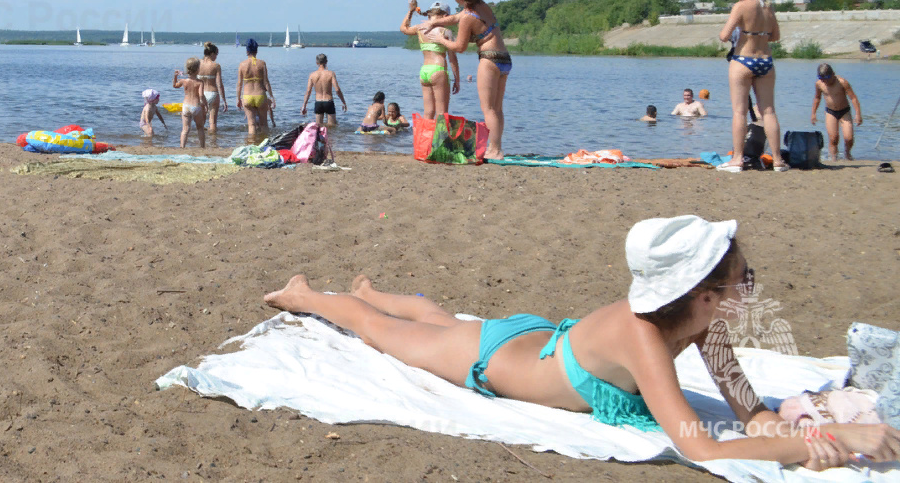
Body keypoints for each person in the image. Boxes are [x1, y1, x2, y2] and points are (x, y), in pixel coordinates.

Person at [262, 216, 900, 471]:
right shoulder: (644, 334)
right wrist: (838, 440)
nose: (751, 288)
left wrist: (800, 433)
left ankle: (372, 288)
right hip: (494, 359)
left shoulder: (705, 323)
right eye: (744, 281)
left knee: (433, 317)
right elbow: (700, 445)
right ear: (702, 294)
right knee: (386, 332)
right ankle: (306, 294)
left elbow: (749, 413)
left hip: (534, 339)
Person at [417, 0, 509, 160]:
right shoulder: (483, 7)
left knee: (489, 109)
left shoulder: (467, 16)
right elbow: (455, 18)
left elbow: (460, 47)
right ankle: (496, 148)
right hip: (505, 59)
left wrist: (441, 39)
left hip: (489, 58)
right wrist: (434, 21)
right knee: (497, 108)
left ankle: (495, 150)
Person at [717, 0, 782, 172]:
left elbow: (724, 35)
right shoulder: (768, 8)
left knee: (739, 111)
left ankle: (737, 158)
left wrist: (744, 33)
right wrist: (758, 34)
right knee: (769, 111)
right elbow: (775, 37)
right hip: (765, 61)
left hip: (743, 60)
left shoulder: (741, 7)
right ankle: (778, 160)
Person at [402, 0, 460, 119]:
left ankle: (426, 138)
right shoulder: (445, 32)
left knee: (428, 113)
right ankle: (440, 138)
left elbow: (404, 28)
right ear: (445, 16)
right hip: (438, 70)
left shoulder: (420, 28)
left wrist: (411, 11)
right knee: (442, 114)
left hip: (424, 71)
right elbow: (452, 58)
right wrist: (457, 79)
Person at [812, 63, 862, 163]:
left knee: (848, 138)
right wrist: (813, 113)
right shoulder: (819, 84)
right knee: (833, 138)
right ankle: (833, 158)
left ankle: (847, 153)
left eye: (826, 78)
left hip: (844, 111)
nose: (824, 81)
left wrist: (858, 114)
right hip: (830, 112)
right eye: (821, 78)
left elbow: (853, 98)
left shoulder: (842, 82)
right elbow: (817, 98)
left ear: (833, 74)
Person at [237, 39, 275, 136]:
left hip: (247, 96)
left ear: (247, 51)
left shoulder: (242, 64)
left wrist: (238, 99)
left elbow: (239, 84)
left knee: (251, 125)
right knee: (264, 124)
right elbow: (266, 82)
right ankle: (265, 144)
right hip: (260, 96)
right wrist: (272, 97)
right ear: (257, 50)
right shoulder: (262, 63)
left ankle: (251, 145)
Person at [301, 54, 347, 126]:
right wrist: (343, 102)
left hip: (318, 102)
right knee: (332, 127)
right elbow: (337, 90)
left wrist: (304, 105)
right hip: (328, 102)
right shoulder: (331, 73)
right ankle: (331, 137)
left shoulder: (312, 75)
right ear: (326, 62)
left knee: (318, 127)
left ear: (317, 63)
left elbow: (308, 91)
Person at [171, 58, 208, 148]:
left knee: (185, 129)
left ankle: (182, 147)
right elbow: (201, 95)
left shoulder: (184, 81)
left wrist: (175, 76)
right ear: (198, 69)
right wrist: (205, 105)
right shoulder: (200, 82)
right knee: (200, 128)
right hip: (196, 106)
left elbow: (175, 85)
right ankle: (202, 147)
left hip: (186, 106)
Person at [197, 44, 228, 134]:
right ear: (211, 54)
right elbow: (219, 84)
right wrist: (224, 100)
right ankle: (213, 142)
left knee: (201, 120)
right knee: (213, 122)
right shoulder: (216, 66)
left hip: (200, 94)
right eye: (216, 54)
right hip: (213, 93)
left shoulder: (198, 63)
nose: (216, 57)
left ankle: (201, 140)